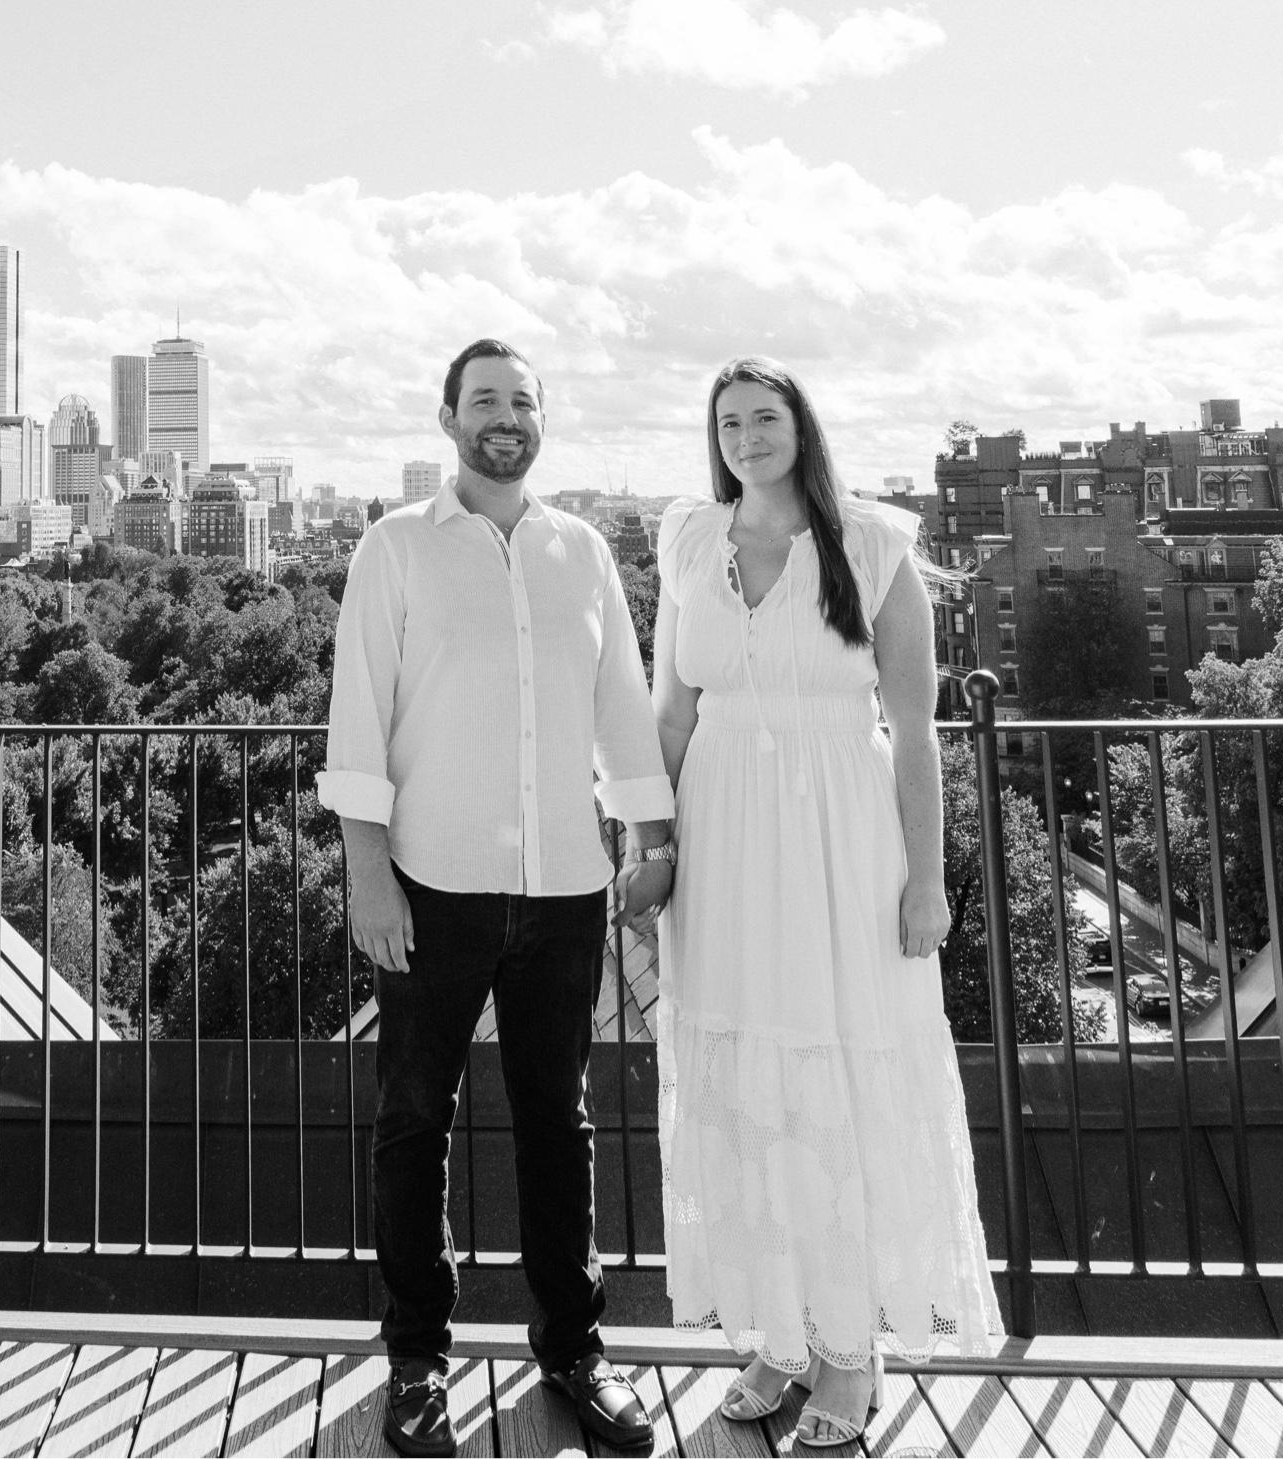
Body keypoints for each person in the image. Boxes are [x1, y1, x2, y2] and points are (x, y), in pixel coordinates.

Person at [319, 339, 676, 1457]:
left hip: (565, 882)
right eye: (484, 400)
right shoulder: (395, 546)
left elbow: (622, 708)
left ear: (542, 420)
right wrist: (368, 872)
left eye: (522, 400)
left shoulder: (583, 550)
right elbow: (358, 716)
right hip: (432, 883)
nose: (504, 417)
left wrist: (651, 836)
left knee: (557, 1124)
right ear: (449, 420)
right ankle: (417, 1358)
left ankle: (574, 1350)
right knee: (413, 1121)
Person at [648, 358, 1001, 1446]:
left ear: (801, 426)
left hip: (840, 839)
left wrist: (927, 880)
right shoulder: (687, 540)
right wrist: (654, 846)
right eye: (728, 422)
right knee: (749, 1076)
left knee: (841, 1068)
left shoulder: (874, 543)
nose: (746, 436)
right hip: (722, 838)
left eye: (765, 417)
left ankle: (852, 1350)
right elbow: (670, 714)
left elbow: (916, 732)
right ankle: (781, 1333)